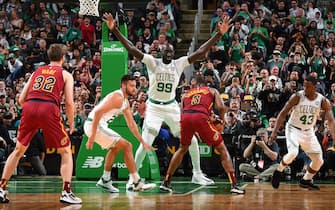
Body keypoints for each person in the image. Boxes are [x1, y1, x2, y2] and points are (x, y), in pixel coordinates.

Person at [103, 13, 231, 188]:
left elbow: (200, 52)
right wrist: (115, 30)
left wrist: (218, 35)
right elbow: (132, 48)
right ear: (162, 52)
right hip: (154, 107)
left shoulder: (178, 64)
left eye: (172, 51)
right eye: (167, 51)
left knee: (191, 140)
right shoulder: (152, 62)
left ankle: (197, 174)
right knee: (146, 142)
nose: (170, 53)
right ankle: (133, 178)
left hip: (171, 107)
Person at [0, 44, 82, 204]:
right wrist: (71, 123)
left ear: (49, 57)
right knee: (65, 151)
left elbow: (21, 99)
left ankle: (1, 188)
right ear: (63, 58)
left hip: (30, 106)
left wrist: (32, 110)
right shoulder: (66, 75)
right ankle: (66, 191)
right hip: (48, 108)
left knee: (18, 150)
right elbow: (70, 103)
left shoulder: (36, 72)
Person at [159, 76, 245, 194]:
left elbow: (183, 113)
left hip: (185, 119)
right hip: (200, 117)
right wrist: (222, 119)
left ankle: (166, 182)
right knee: (222, 148)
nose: (192, 86)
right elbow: (220, 107)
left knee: (182, 148)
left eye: (193, 84)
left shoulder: (186, 94)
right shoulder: (212, 90)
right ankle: (234, 184)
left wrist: (194, 130)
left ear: (198, 84)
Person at [84, 74, 156, 192]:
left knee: (115, 148)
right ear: (123, 85)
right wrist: (91, 136)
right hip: (94, 125)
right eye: (131, 86)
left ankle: (105, 180)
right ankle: (137, 182)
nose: (134, 88)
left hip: (99, 126)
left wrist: (143, 142)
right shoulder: (117, 97)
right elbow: (97, 113)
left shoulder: (125, 102)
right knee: (127, 145)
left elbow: (132, 125)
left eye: (135, 86)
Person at [270, 75, 335, 190]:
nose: (305, 89)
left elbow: (331, 120)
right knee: (293, 153)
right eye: (304, 86)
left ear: (315, 87)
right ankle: (278, 171)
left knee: (319, 160)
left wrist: (334, 138)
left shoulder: (323, 100)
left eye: (308, 87)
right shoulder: (297, 97)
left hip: (308, 131)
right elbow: (282, 113)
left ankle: (306, 180)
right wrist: (274, 132)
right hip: (293, 129)